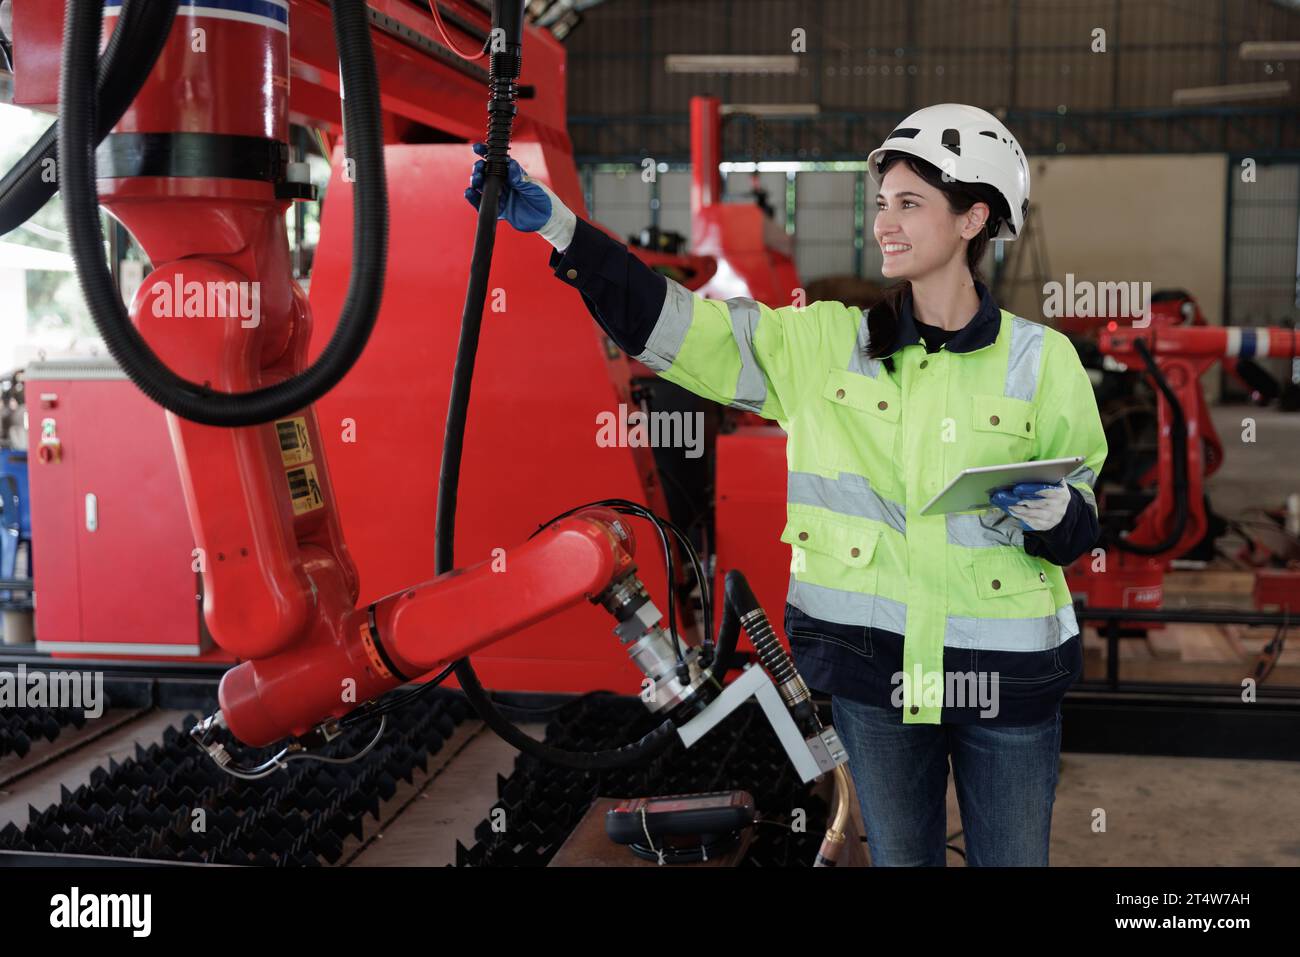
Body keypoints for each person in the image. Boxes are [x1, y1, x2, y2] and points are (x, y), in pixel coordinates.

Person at [465, 103, 1107, 866]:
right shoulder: (823, 344)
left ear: (974, 217)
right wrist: (564, 232)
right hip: (878, 682)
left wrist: (1060, 510)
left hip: (1008, 684)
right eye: (881, 203)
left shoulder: (1045, 361)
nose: (885, 223)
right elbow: (678, 331)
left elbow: (1081, 523)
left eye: (910, 203)